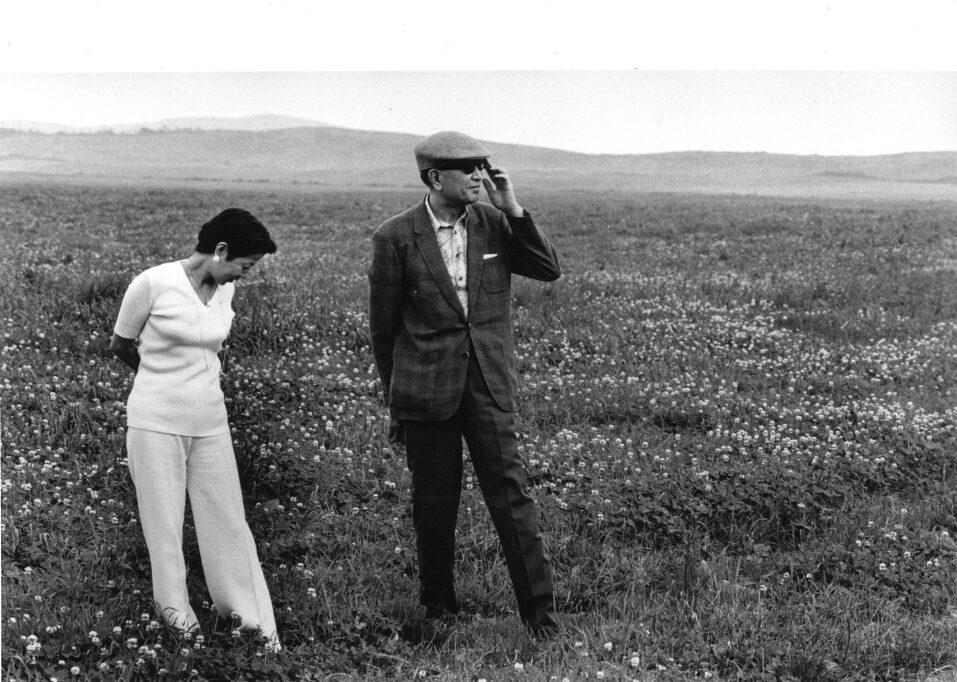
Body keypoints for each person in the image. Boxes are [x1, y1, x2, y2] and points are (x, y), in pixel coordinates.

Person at [368, 131, 561, 632]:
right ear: (435, 178)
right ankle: (439, 611)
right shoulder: (394, 237)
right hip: (424, 393)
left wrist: (512, 207)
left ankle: (541, 621)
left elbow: (547, 269)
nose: (479, 175)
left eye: (482, 166)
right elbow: (383, 332)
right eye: (469, 168)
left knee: (512, 499)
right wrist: (397, 403)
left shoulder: (496, 223)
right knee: (434, 505)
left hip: (488, 388)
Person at [110, 208, 281, 650]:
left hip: (210, 420)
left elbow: (210, 348)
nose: (243, 275)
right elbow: (121, 344)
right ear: (221, 250)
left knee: (228, 520)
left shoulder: (225, 291)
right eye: (244, 265)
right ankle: (179, 624)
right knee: (164, 525)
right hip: (155, 421)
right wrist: (160, 380)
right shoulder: (152, 283)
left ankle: (249, 619)